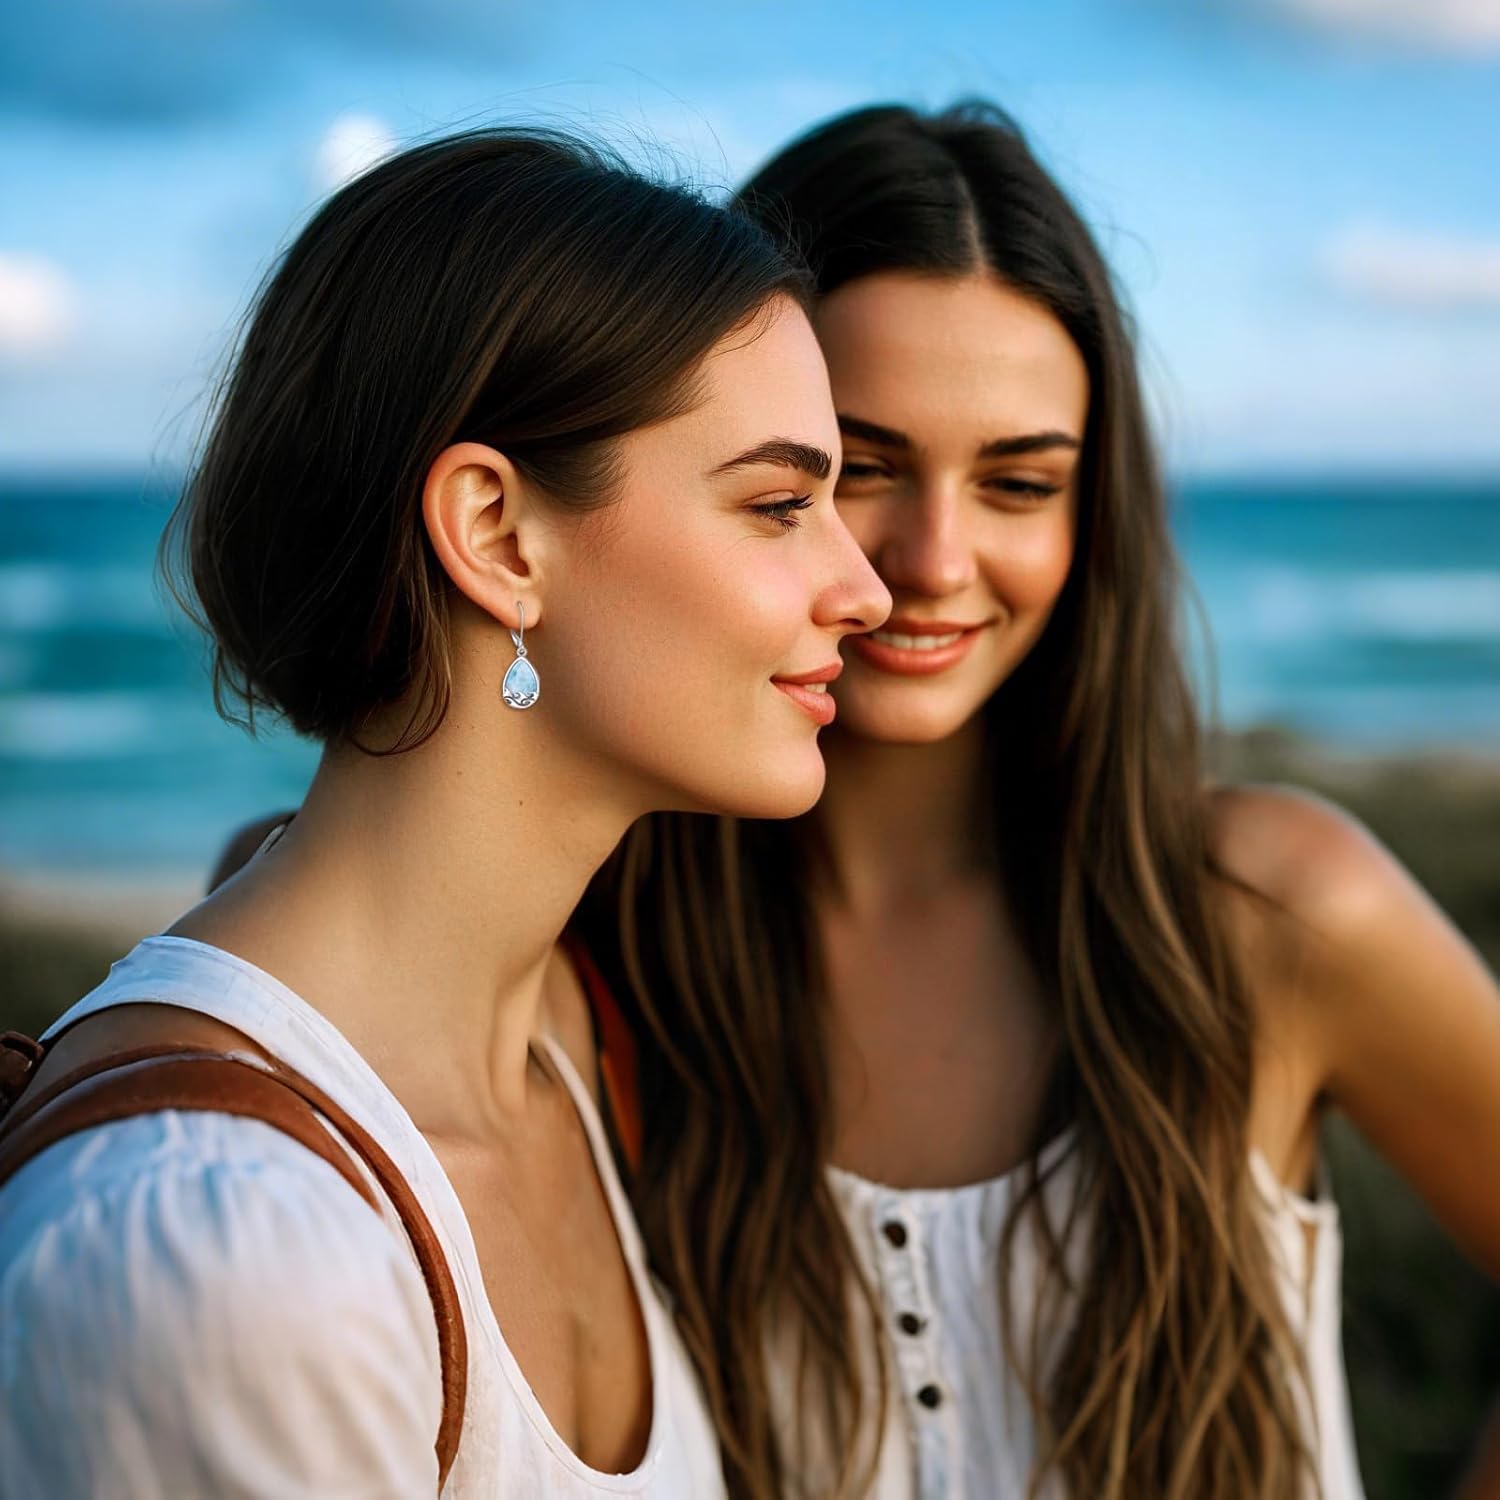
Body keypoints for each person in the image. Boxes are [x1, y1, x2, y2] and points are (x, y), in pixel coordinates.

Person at [573, 102, 1500, 1500]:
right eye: (863, 470)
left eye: (1019, 483)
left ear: (1093, 511)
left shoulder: (1269, 912)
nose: (936, 560)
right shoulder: (595, 958)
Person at [0, 125, 889, 1499]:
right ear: (494, 533)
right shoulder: (219, 1263)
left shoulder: (570, 1055)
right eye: (777, 504)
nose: (868, 591)